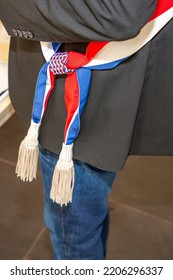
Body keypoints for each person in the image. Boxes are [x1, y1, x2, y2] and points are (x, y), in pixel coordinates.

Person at [0, 0, 173, 259]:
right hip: (84, 75)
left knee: (73, 231)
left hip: (89, 96)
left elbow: (121, 14)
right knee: (86, 218)